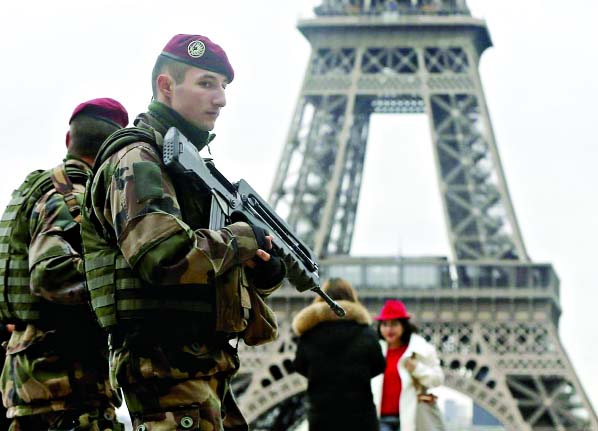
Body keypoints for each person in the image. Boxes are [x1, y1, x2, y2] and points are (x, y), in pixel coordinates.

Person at [80, 34, 286, 431]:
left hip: (196, 364)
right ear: (166, 86)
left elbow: (206, 267)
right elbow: (166, 257)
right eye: (207, 83)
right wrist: (245, 238)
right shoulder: (138, 158)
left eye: (224, 87)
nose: (221, 99)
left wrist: (262, 268)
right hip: (166, 366)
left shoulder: (184, 166)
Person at [0, 98, 129, 430]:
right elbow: (50, 274)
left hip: (35, 381)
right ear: (112, 153)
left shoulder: (39, 191)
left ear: (69, 141)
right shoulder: (72, 195)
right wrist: (126, 277)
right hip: (68, 388)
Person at [292, 278, 386, 431]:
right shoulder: (365, 332)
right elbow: (379, 365)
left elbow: (299, 365)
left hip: (322, 415)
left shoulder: (309, 333)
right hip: (360, 414)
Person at [371, 300, 444, 431]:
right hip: (380, 419)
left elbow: (437, 379)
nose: (389, 329)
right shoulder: (373, 350)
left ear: (404, 325)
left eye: (394, 324)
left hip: (411, 417)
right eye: (385, 324)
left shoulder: (420, 350)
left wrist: (417, 369)